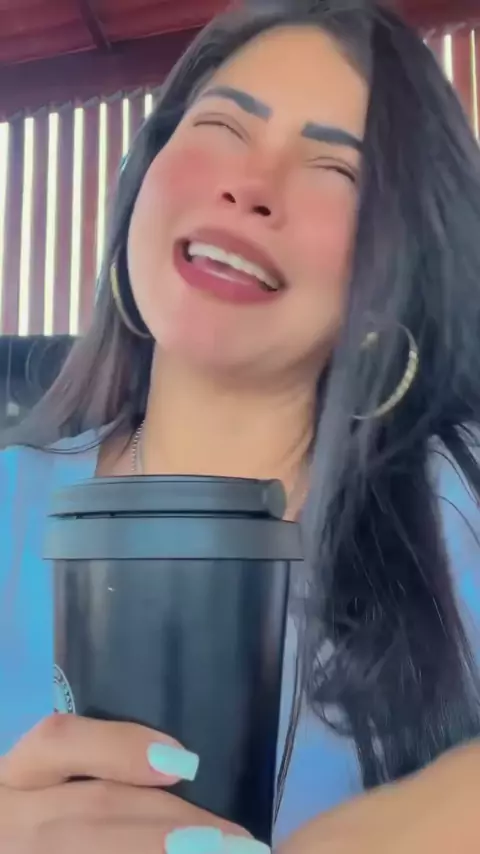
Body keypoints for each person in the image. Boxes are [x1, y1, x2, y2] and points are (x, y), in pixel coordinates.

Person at [1, 0, 480, 850]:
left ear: (393, 268)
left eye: (335, 169)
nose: (251, 188)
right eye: (223, 126)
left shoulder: (461, 505)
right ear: (143, 179)